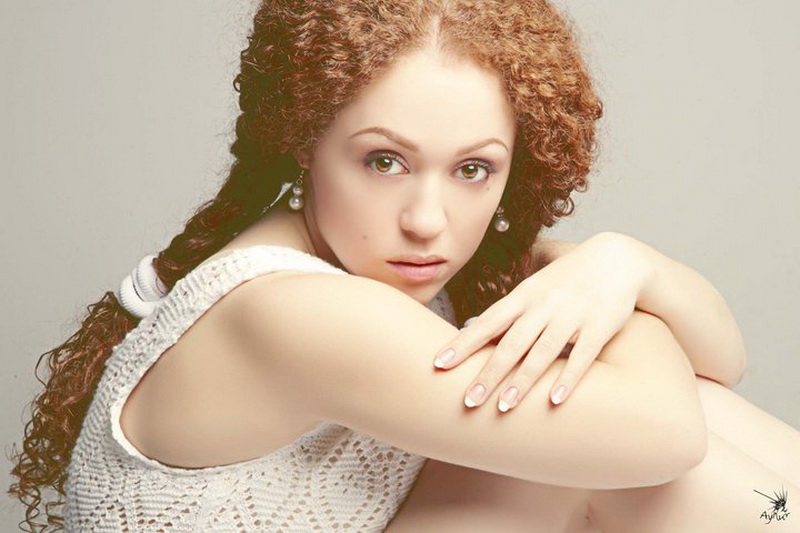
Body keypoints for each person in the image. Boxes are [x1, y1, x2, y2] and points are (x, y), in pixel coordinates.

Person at [8, 0, 798, 531]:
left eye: (473, 169)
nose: (427, 220)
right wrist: (614, 276)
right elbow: (666, 435)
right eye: (383, 161)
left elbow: (718, 363)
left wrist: (624, 265)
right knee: (594, 435)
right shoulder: (291, 310)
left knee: (634, 396)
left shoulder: (375, 259)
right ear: (306, 140)